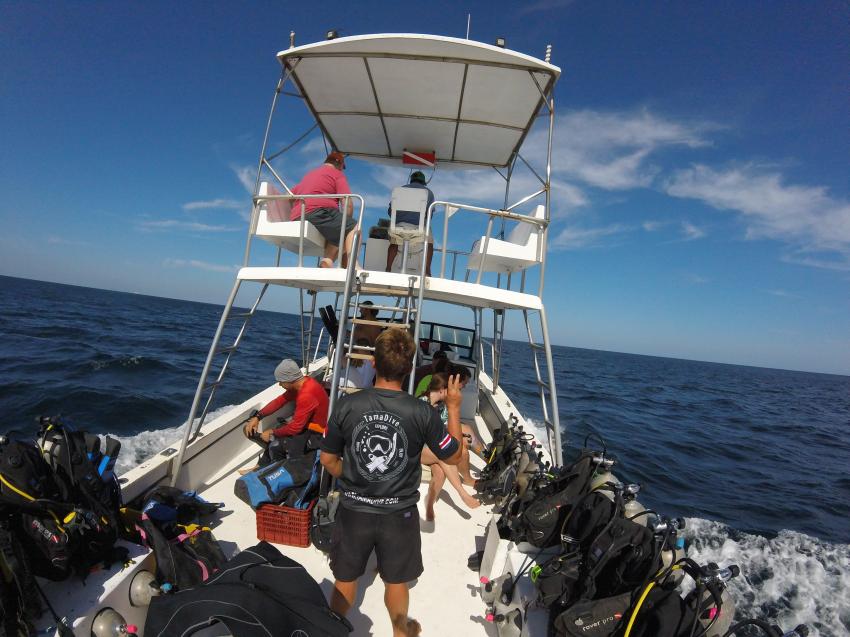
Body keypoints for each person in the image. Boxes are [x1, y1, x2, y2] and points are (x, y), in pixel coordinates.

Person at [320, 329, 463, 637]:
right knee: (396, 582)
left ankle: (330, 631)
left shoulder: (346, 405)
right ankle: (401, 632)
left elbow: (328, 460)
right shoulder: (422, 411)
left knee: (346, 580)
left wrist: (355, 477)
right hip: (400, 516)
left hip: (354, 511)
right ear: (409, 367)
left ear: (374, 362)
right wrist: (452, 407)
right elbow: (453, 456)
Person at [241, 359, 329, 471]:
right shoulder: (304, 383)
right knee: (279, 429)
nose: (279, 384)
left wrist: (272, 432)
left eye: (281, 381)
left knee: (276, 444)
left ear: (289, 380)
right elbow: (279, 401)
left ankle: (274, 472)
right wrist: (258, 417)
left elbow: (296, 428)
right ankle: (262, 466)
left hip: (318, 435)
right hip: (307, 427)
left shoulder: (306, 395)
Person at [419, 373, 480, 521]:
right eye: (449, 390)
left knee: (440, 472)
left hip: (431, 448)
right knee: (445, 456)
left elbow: (443, 429)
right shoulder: (421, 405)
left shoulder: (442, 407)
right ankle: (462, 494)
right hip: (418, 448)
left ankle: (430, 502)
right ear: (441, 390)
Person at [291, 151, 357, 268]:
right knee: (352, 227)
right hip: (318, 212)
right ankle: (352, 266)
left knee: (338, 228)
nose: (342, 170)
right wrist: (347, 223)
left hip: (297, 215)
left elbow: (289, 195)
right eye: (342, 167)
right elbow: (347, 203)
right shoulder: (336, 174)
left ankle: (327, 263)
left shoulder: (309, 174)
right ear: (340, 164)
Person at [386, 171, 435, 276]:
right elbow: (429, 215)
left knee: (393, 243)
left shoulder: (399, 190)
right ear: (423, 182)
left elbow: (390, 211)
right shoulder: (428, 192)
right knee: (430, 244)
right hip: (419, 227)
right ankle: (427, 270)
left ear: (411, 179)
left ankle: (388, 268)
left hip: (398, 226)